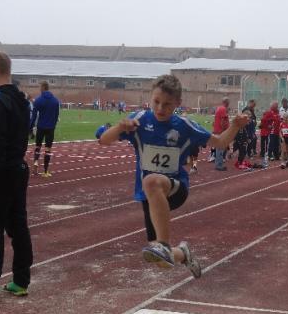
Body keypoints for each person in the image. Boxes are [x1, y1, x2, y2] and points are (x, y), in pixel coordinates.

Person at [100, 74, 247, 275]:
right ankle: (182, 253)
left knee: (151, 181)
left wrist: (235, 126)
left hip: (176, 188)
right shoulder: (139, 120)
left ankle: (163, 243)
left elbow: (220, 142)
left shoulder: (185, 126)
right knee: (161, 259)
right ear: (150, 98)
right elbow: (104, 140)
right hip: (150, 196)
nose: (160, 108)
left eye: (167, 104)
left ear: (178, 103)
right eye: (156, 102)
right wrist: (120, 127)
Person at [0, 52, 34, 299]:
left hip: (1, 173)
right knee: (19, 226)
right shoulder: (22, 100)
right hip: (18, 169)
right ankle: (21, 281)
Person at [30, 82, 61, 177]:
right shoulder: (55, 101)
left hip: (41, 126)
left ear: (43, 87)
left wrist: (30, 127)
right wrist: (53, 125)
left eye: (40, 87)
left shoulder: (38, 100)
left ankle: (36, 162)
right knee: (48, 149)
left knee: (38, 146)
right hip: (50, 128)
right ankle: (46, 171)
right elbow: (56, 115)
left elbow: (34, 116)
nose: (39, 89)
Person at [212, 97, 230, 171]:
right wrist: (224, 131)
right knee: (220, 149)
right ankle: (219, 165)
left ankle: (218, 164)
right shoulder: (223, 109)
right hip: (220, 131)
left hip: (218, 130)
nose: (229, 104)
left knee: (219, 149)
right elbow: (223, 121)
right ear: (226, 102)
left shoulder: (219, 108)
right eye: (228, 102)